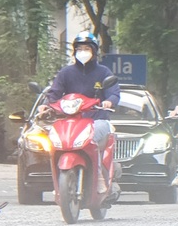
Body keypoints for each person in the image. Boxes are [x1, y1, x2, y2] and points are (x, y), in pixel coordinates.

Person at [42, 34, 120, 184]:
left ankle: (99, 179)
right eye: (79, 48)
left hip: (98, 120)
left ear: (94, 51)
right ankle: (59, 181)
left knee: (93, 139)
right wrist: (46, 105)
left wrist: (109, 101)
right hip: (71, 122)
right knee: (55, 140)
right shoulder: (66, 73)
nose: (82, 52)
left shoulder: (104, 72)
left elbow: (114, 93)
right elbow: (54, 93)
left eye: (86, 48)